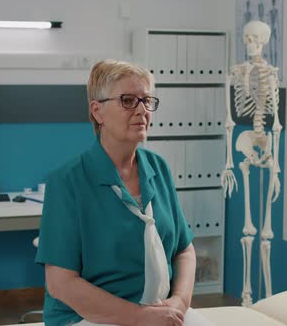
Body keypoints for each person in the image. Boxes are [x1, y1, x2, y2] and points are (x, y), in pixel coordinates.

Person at [36, 59, 208, 326]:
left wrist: (178, 304)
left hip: (160, 311)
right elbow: (61, 283)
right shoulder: (67, 181)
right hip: (87, 318)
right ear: (97, 111)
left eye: (147, 100)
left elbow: (184, 251)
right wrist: (142, 317)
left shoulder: (158, 168)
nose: (142, 110)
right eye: (128, 100)